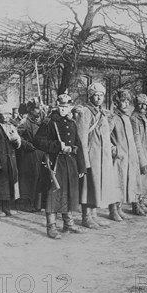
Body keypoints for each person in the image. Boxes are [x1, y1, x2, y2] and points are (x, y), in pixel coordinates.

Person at [34, 93, 85, 238]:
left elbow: (78, 145)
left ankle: (68, 223)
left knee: (68, 193)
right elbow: (37, 141)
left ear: (70, 107)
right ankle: (51, 226)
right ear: (57, 105)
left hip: (70, 163)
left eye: (66, 106)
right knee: (53, 194)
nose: (64, 109)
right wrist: (57, 146)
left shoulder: (72, 122)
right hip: (55, 163)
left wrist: (81, 165)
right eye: (61, 106)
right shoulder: (49, 122)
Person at [73, 82, 118, 228]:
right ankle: (86, 217)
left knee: (97, 187)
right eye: (95, 95)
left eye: (101, 95)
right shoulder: (84, 112)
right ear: (90, 96)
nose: (98, 98)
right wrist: (84, 161)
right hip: (91, 155)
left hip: (103, 157)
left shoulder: (103, 113)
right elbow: (81, 138)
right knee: (88, 187)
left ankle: (94, 215)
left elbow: (106, 135)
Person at [110, 89, 146, 220]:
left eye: (127, 101)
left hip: (130, 156)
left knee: (125, 182)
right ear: (116, 103)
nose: (125, 104)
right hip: (118, 157)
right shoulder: (112, 117)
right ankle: (113, 210)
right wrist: (115, 150)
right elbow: (105, 137)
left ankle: (119, 208)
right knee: (116, 183)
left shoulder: (127, 117)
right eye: (122, 101)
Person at [130, 93, 147, 215]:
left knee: (145, 180)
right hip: (138, 152)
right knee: (138, 180)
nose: (142, 106)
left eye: (144, 104)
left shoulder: (146, 118)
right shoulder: (134, 118)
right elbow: (136, 139)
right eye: (139, 104)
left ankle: (142, 203)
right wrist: (141, 159)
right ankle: (136, 205)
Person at [16, 98, 45, 212]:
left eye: (39, 108)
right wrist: (26, 144)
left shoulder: (40, 120)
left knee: (38, 178)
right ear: (31, 110)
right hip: (28, 154)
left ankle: (36, 203)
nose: (39, 110)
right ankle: (25, 203)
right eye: (36, 108)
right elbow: (17, 136)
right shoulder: (25, 121)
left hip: (39, 153)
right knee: (28, 179)